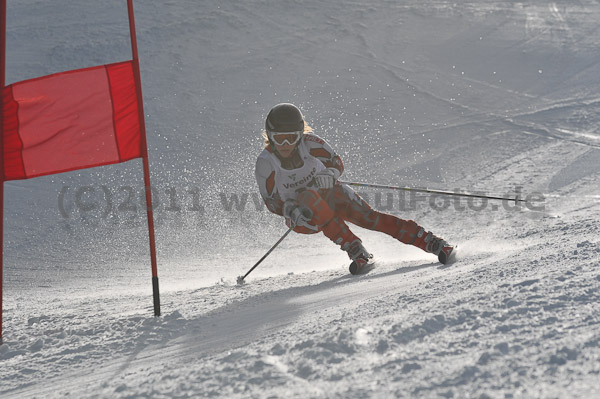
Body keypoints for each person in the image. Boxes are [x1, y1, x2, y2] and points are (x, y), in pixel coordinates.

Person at [255, 103, 454, 274]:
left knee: (370, 218)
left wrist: (330, 173)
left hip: (329, 196)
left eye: (291, 137)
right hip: (303, 217)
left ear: (300, 134)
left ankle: (431, 242)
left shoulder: (310, 143)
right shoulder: (266, 163)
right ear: (270, 136)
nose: (286, 144)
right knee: (308, 197)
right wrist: (290, 209)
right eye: (279, 138)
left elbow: (336, 162)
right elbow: (271, 202)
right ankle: (355, 250)